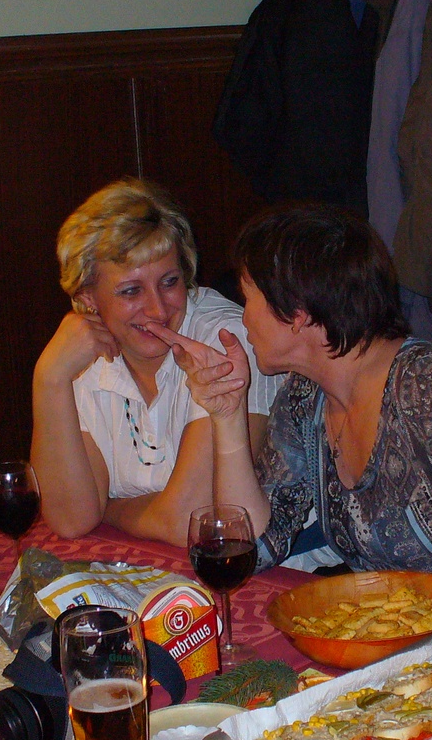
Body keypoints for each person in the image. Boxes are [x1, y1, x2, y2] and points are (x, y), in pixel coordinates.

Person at [153, 207, 432, 626]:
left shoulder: (426, 387)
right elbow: (254, 545)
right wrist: (228, 414)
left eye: (249, 298)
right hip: (420, 651)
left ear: (298, 314)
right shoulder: (305, 398)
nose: (244, 318)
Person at [30, 178, 280, 547]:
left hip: (271, 569)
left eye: (169, 282)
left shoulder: (225, 341)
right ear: (88, 298)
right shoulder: (81, 359)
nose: (158, 309)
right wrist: (49, 377)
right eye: (131, 290)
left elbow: (190, 521)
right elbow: (70, 518)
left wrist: (110, 509)